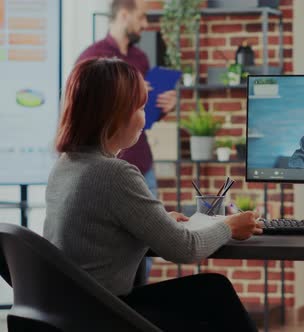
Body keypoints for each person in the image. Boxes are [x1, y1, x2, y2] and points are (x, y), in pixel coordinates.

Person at [44, 58, 261, 331]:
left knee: (212, 289)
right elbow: (186, 248)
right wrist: (229, 225)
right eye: (141, 107)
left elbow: (95, 236)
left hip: (69, 311)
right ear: (115, 114)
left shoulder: (66, 165)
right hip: (99, 316)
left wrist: (155, 221)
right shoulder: (113, 173)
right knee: (214, 297)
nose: (144, 118)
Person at [77, 0, 176, 281]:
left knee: (148, 246)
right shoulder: (92, 57)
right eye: (142, 17)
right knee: (116, 244)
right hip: (108, 163)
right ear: (124, 13)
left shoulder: (141, 58)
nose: (146, 25)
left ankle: (135, 309)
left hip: (142, 162)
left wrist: (161, 106)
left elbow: (144, 119)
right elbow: (86, 112)